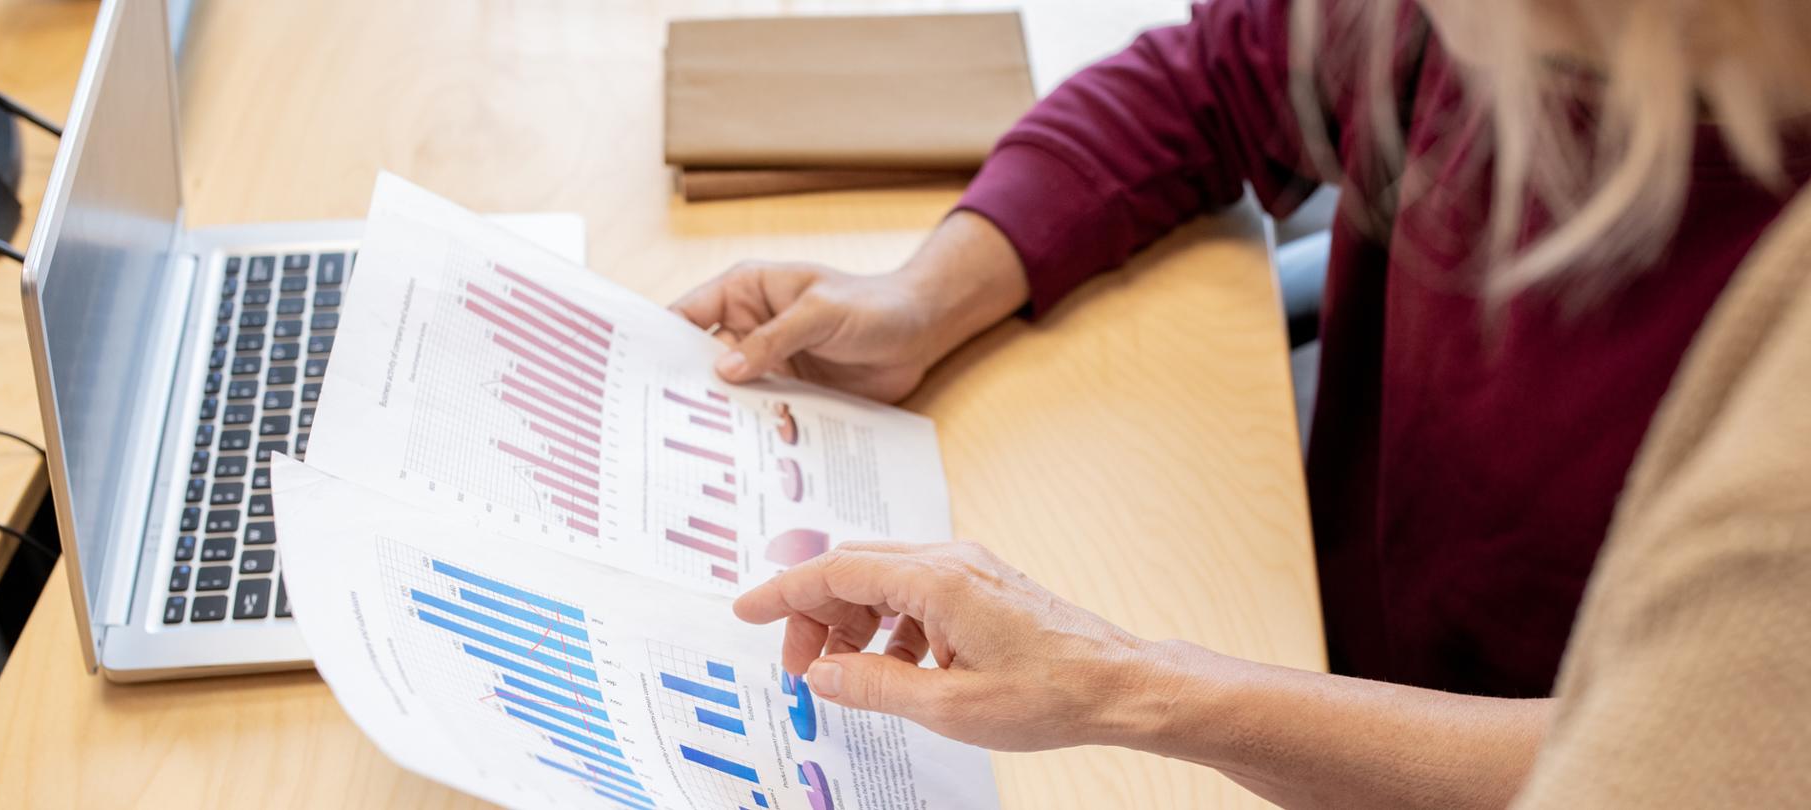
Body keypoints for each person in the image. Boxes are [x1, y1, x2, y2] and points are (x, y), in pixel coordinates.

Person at [671, 0, 1811, 806]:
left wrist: (1133, 686)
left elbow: (1690, 760)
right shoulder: (1452, 27)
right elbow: (1220, 73)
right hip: (1326, 655)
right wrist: (924, 296)